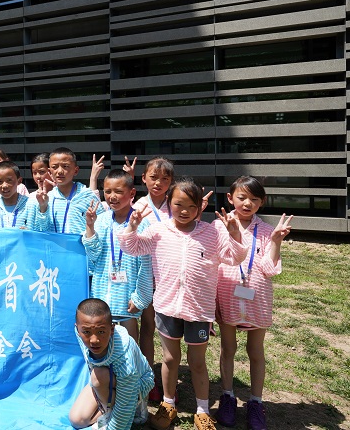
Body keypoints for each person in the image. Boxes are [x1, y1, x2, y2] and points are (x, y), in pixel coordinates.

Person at [119, 177, 248, 430]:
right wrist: (132, 227)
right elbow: (132, 247)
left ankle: (202, 410)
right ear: (169, 202)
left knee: (197, 362)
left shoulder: (211, 233)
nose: (185, 211)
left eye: (192, 206)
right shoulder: (158, 230)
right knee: (170, 358)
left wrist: (235, 235)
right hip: (167, 306)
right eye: (179, 204)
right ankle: (168, 404)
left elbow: (234, 258)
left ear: (200, 207)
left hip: (198, 310)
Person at [215, 177, 292, 430]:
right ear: (230, 198)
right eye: (242, 197)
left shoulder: (267, 231)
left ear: (262, 202)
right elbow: (214, 263)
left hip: (257, 299)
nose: (247, 203)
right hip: (227, 296)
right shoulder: (219, 226)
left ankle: (256, 402)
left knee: (256, 351)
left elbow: (269, 269)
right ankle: (227, 396)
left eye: (254, 199)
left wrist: (277, 241)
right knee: (228, 348)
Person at [82, 171, 152, 345]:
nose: (112, 196)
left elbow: (146, 265)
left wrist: (140, 298)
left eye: (118, 191)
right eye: (107, 191)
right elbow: (93, 255)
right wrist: (90, 227)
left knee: (129, 341)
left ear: (132, 193)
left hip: (127, 293)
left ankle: (130, 363)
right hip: (103, 290)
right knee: (102, 336)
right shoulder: (101, 220)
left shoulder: (141, 222)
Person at [69, 298, 154, 430]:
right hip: (105, 381)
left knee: (99, 376)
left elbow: (126, 402)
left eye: (101, 332)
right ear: (77, 329)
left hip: (135, 385)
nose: (94, 340)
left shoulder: (125, 358)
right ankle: (107, 409)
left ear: (112, 329)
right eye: (86, 332)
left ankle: (135, 408)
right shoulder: (80, 332)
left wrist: (115, 427)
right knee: (77, 420)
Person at [130, 156, 174, 400]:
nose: (158, 183)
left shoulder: (176, 205)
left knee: (166, 332)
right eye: (153, 177)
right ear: (144, 178)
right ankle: (149, 378)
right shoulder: (136, 206)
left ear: (171, 182)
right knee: (147, 327)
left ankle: (166, 377)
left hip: (168, 275)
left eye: (164, 179)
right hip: (145, 275)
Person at [46, 147, 106, 235]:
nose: (59, 171)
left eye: (65, 166)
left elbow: (102, 226)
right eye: (54, 167)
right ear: (49, 171)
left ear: (76, 170)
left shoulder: (88, 196)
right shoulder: (47, 199)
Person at [0, 161, 48, 231]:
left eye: (9, 180)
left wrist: (29, 233)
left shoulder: (31, 205)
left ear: (19, 181)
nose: (4, 185)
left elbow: (42, 230)